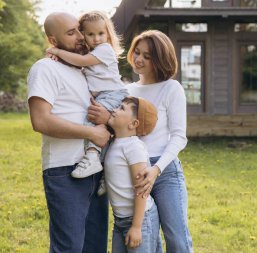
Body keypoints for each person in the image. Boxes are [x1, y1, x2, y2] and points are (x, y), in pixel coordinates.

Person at [88, 30, 193, 253]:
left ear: (160, 59)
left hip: (163, 171)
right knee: (145, 232)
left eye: (147, 56)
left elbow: (178, 137)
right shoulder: (126, 90)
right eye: (137, 52)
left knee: (177, 239)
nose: (139, 59)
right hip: (132, 169)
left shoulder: (171, 88)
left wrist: (156, 169)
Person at [27, 12, 110, 253]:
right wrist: (92, 134)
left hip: (95, 170)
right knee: (70, 248)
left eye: (79, 30)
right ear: (54, 41)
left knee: (94, 247)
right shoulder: (44, 69)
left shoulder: (83, 71)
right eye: (71, 33)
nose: (81, 37)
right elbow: (40, 120)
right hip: (65, 170)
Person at [46, 11, 129, 195]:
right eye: (90, 34)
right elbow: (76, 64)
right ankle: (110, 175)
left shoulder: (105, 50)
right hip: (105, 95)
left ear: (108, 34)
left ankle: (91, 156)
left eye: (101, 33)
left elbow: (82, 61)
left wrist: (57, 51)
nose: (97, 38)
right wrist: (57, 58)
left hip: (112, 94)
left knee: (92, 119)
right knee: (109, 136)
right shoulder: (92, 52)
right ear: (83, 35)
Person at [105, 96, 162, 253]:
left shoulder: (133, 147)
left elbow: (141, 189)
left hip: (140, 220)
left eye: (122, 108)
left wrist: (136, 227)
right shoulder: (113, 143)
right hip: (120, 221)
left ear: (133, 124)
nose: (114, 110)